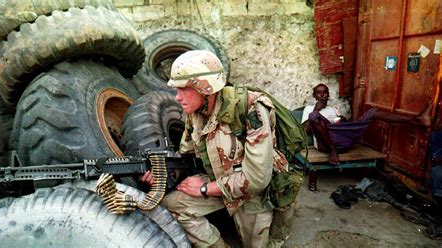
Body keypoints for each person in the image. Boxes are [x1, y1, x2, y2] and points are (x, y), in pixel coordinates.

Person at [141, 50, 287, 247]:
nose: (177, 97)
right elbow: (185, 155)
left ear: (205, 88)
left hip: (255, 193)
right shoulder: (197, 113)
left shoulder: (252, 110)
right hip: (220, 179)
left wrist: (204, 189)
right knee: (172, 206)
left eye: (184, 89)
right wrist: (161, 172)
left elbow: (257, 180)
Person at [301, 83, 432, 165]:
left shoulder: (335, 108)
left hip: (343, 139)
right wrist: (317, 109)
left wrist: (342, 120)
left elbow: (346, 126)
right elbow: (305, 130)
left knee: (372, 112)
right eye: (319, 92)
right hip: (326, 144)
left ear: (328, 95)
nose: (323, 94)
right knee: (314, 116)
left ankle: (416, 119)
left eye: (325, 92)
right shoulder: (309, 109)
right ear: (315, 96)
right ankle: (333, 151)